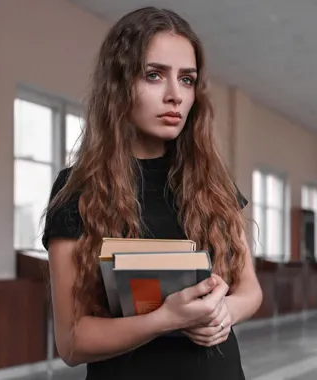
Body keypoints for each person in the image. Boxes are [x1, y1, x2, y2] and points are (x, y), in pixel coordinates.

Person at [42, 6, 263, 380]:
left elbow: (250, 289)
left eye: (187, 79)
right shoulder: (77, 190)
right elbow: (72, 341)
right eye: (154, 75)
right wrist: (165, 319)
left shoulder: (214, 182)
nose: (175, 95)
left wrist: (226, 311)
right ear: (119, 84)